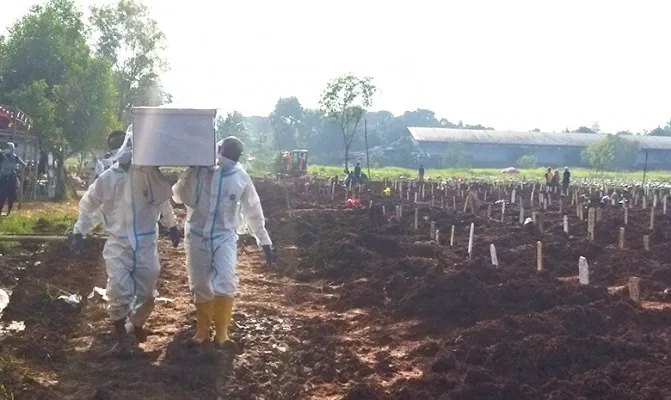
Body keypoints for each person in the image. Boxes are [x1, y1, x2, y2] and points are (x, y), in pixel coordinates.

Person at [70, 130, 181, 357]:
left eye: (125, 145)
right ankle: (121, 338)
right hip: (118, 244)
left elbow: (163, 201)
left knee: (148, 293)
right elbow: (88, 205)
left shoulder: (149, 176)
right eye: (117, 147)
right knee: (118, 289)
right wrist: (79, 232)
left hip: (146, 243)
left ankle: (137, 322)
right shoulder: (107, 179)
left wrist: (172, 225)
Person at [172, 136, 272, 349]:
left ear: (238, 158)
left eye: (233, 156)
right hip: (197, 234)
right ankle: (202, 331)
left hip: (224, 235)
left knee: (226, 280)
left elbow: (252, 209)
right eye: (225, 153)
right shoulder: (202, 172)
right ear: (218, 151)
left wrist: (264, 240)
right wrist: (190, 173)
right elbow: (182, 198)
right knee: (199, 283)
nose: (227, 158)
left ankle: (222, 334)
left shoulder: (240, 178)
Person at [0, 143, 26, 216]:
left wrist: (16, 169)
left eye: (8, 148)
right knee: (2, 195)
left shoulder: (16, 157)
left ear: (12, 149)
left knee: (10, 196)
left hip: (11, 178)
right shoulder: (2, 156)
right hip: (3, 178)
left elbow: (24, 165)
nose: (6, 149)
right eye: (6, 147)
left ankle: (8, 212)